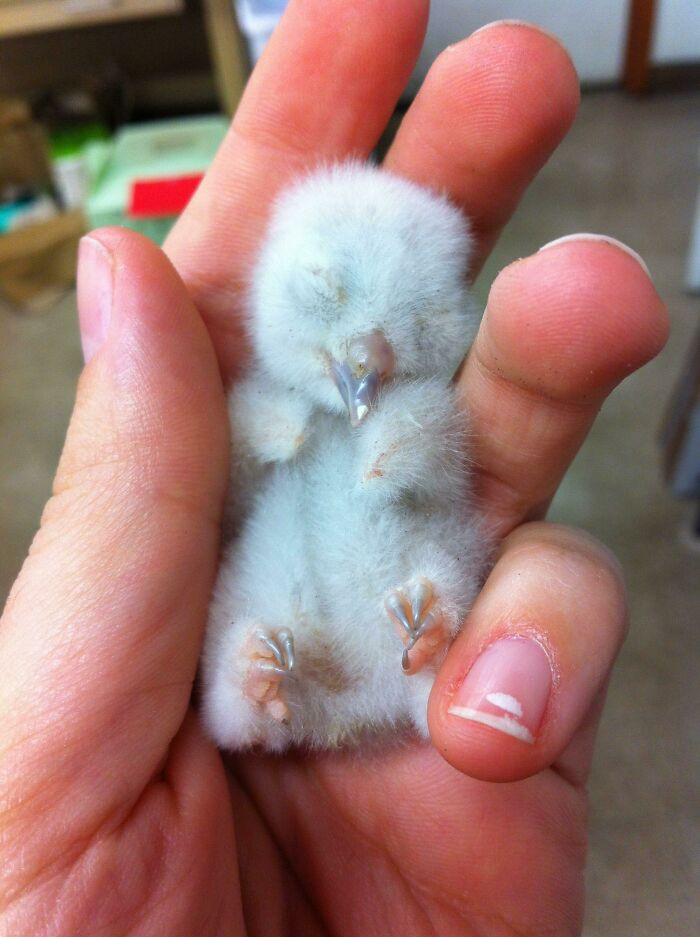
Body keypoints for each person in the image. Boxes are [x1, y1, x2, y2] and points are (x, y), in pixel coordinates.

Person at [0, 5, 669, 935]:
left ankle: (417, 640)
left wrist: (402, 443)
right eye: (331, 304)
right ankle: (264, 676)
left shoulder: (422, 407)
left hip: (384, 642)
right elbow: (230, 495)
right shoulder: (254, 406)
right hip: (292, 621)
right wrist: (260, 439)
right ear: (285, 290)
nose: (365, 357)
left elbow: (434, 475)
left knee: (434, 555)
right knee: (260, 592)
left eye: (412, 330)